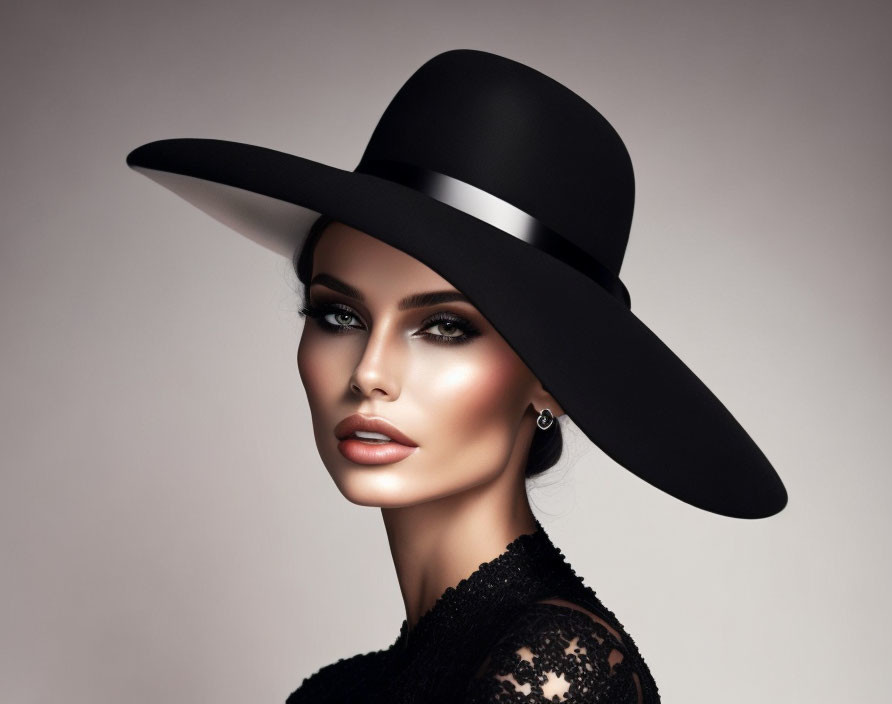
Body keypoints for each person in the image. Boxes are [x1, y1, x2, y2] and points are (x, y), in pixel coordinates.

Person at [126, 49, 787, 703]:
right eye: (338, 315)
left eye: (444, 327)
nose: (370, 372)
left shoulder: (555, 674)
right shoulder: (336, 693)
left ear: (549, 379)